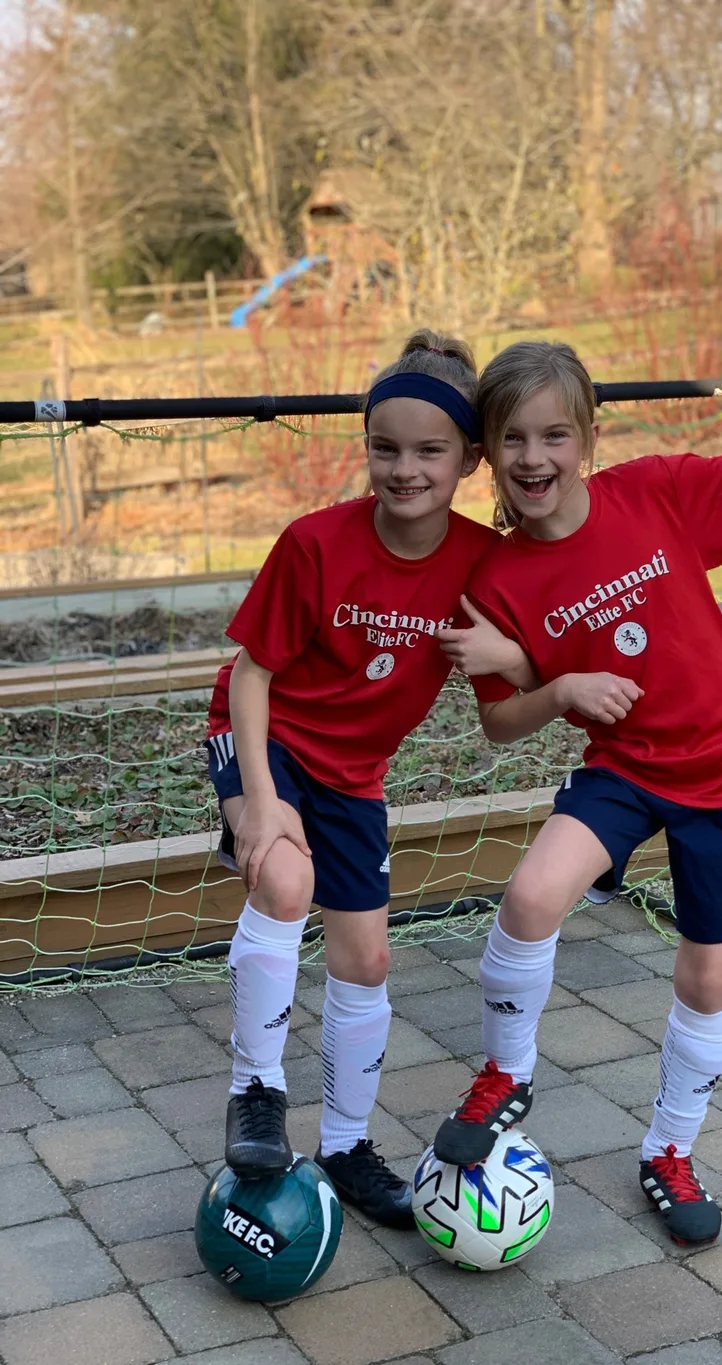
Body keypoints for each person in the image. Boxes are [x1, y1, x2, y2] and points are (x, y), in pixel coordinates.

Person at [434, 340, 722, 1245]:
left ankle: (669, 1152)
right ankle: (506, 1073)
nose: (534, 458)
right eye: (512, 438)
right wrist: (555, 685)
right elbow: (501, 721)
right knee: (529, 895)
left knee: (708, 969)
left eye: (555, 434)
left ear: (588, 436)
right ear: (488, 449)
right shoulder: (492, 586)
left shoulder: (653, 494)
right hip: (625, 766)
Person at [205, 330, 531, 1228]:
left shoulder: (478, 566)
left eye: (429, 451)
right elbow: (249, 675)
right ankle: (257, 1093)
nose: (403, 468)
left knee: (368, 955)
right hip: (265, 737)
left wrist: (532, 663)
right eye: (384, 447)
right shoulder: (315, 544)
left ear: (469, 459)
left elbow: (506, 715)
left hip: (352, 775)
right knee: (285, 875)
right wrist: (260, 805)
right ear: (366, 447)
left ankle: (347, 1143)